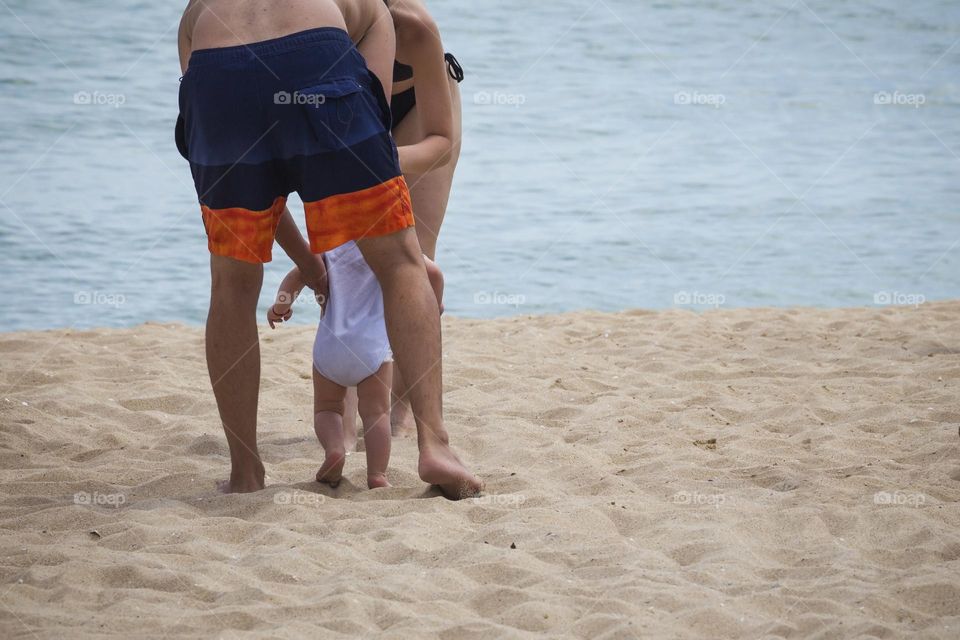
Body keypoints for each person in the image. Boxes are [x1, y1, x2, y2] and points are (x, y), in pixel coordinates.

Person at [176, 0, 480, 499]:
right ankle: (435, 446)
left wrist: (306, 260)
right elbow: (370, 141)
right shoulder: (376, 11)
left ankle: (246, 473)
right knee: (401, 261)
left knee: (230, 284)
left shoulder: (196, 10)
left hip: (218, 76)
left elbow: (202, 100)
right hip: (318, 55)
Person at [343, 0, 466, 439]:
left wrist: (377, 158)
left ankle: (402, 407)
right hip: (353, 112)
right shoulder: (320, 12)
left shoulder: (411, 22)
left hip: (422, 108)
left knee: (417, 259)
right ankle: (346, 401)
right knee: (344, 265)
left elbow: (441, 147)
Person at [266, 244, 444, 489]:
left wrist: (279, 308)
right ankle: (377, 475)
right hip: (371, 350)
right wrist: (435, 305)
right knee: (376, 415)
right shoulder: (387, 247)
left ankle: (335, 449)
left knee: (327, 409)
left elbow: (296, 276)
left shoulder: (327, 246)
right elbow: (433, 273)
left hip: (330, 347)